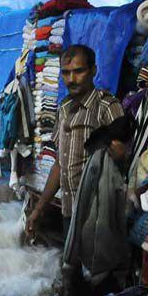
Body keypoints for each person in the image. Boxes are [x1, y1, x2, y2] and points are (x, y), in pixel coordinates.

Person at [27, 45, 126, 237]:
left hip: (98, 218)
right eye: (66, 73)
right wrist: (39, 210)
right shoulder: (64, 109)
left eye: (78, 71)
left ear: (93, 71)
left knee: (97, 267)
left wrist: (121, 155)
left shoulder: (107, 107)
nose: (71, 79)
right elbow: (59, 165)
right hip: (70, 213)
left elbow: (123, 165)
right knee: (69, 266)